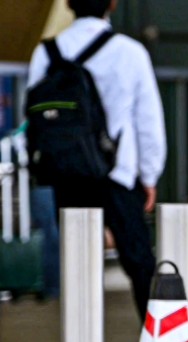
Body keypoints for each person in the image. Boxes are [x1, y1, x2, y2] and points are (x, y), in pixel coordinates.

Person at [27, 0, 166, 322]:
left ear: (69, 4)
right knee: (140, 264)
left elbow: (36, 117)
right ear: (112, 4)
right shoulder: (130, 53)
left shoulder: (46, 53)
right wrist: (150, 175)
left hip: (66, 175)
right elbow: (148, 121)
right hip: (118, 174)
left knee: (76, 266)